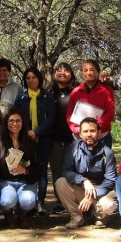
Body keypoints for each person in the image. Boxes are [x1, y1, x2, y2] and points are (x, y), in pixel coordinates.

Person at [56, 118, 118, 229]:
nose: (89, 134)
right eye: (85, 131)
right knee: (60, 183)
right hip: (81, 187)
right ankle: (77, 218)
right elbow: (66, 170)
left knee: (109, 204)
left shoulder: (107, 153)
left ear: (99, 132)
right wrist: (83, 180)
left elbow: (110, 180)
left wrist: (92, 195)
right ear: (79, 133)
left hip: (100, 191)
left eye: (92, 131)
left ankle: (100, 216)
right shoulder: (74, 148)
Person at [0, 109, 40, 229]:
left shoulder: (30, 143)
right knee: (7, 201)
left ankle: (22, 212)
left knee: (28, 201)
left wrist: (26, 171)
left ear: (23, 123)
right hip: (5, 181)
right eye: (11, 121)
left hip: (25, 181)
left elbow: (38, 169)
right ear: (6, 123)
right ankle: (8, 213)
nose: (14, 124)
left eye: (18, 121)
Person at [14, 68, 55, 215]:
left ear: (39, 79)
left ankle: (40, 203)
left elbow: (51, 118)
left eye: (34, 77)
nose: (31, 80)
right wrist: (28, 133)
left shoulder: (47, 96)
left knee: (42, 170)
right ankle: (27, 204)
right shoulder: (21, 98)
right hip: (25, 139)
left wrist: (37, 132)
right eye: (28, 78)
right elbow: (17, 117)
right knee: (26, 168)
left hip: (44, 138)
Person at [66, 59, 116, 148]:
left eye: (92, 70)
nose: (88, 73)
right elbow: (69, 114)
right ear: (82, 73)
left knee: (102, 161)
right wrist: (76, 129)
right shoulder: (76, 91)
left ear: (98, 72)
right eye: (85, 70)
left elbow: (110, 113)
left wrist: (96, 128)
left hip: (102, 136)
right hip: (79, 137)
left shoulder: (107, 90)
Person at [49, 62, 78, 214]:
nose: (62, 73)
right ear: (54, 74)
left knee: (73, 169)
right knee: (56, 170)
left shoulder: (77, 91)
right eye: (59, 70)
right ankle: (60, 202)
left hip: (73, 138)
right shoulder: (49, 93)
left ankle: (74, 200)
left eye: (66, 70)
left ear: (71, 74)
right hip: (54, 138)